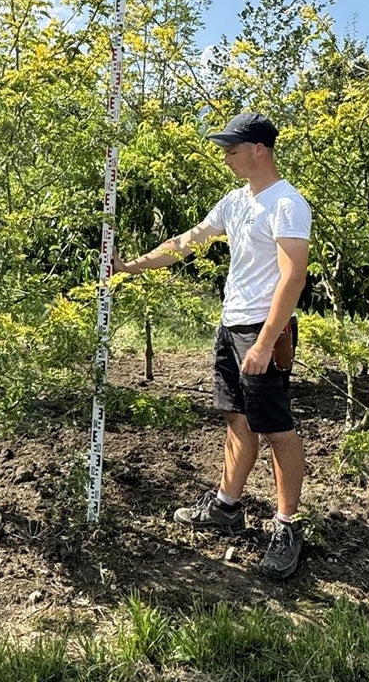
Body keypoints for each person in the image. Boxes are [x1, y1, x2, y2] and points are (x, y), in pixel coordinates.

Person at [113, 112, 312, 579]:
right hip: (231, 326)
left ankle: (287, 526)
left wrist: (264, 343)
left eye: (232, 147)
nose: (225, 155)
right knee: (237, 420)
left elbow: (293, 276)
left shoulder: (286, 203)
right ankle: (227, 506)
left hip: (264, 330)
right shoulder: (235, 202)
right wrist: (130, 267)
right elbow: (191, 240)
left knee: (276, 429)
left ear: (258, 149)